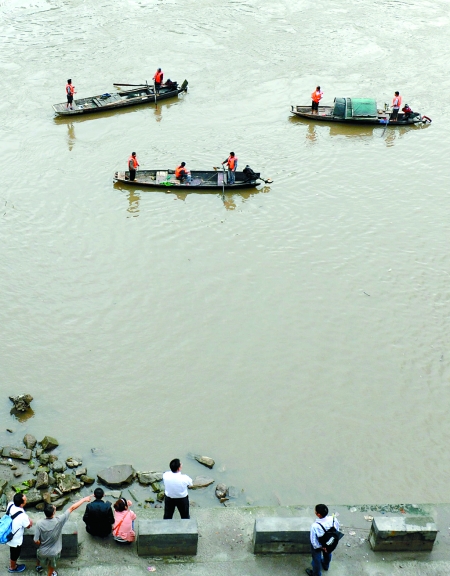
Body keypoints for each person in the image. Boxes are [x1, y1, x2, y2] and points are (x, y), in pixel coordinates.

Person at [34, 495, 91, 576]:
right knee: (52, 565)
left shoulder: (39, 523)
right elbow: (72, 508)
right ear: (54, 512)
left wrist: (41, 544)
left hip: (42, 551)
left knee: (39, 557)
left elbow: (36, 540)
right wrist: (84, 499)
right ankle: (50, 574)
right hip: (54, 552)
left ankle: (38, 566)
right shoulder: (59, 521)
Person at [305, 504, 340, 576]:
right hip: (329, 542)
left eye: (315, 511)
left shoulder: (315, 526)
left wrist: (321, 547)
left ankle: (316, 574)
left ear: (318, 514)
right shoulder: (333, 519)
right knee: (328, 554)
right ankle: (326, 565)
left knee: (316, 559)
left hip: (320, 543)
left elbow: (314, 541)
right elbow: (337, 530)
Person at [6, 493, 32, 574]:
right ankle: (12, 567)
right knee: (14, 553)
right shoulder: (22, 516)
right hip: (15, 539)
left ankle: (13, 565)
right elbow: (28, 526)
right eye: (25, 500)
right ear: (21, 504)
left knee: (12, 551)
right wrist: (30, 521)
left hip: (8, 532)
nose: (26, 500)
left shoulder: (10, 504)